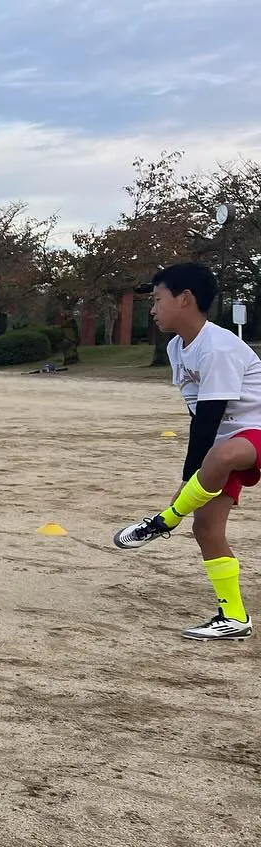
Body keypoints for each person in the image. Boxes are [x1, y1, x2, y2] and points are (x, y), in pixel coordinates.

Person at [113, 261, 261, 640]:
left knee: (221, 456)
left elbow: (209, 419)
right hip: (225, 443)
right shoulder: (178, 346)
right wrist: (196, 478)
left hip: (251, 433)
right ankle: (234, 618)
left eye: (158, 299)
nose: (153, 308)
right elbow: (199, 415)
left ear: (185, 298)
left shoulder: (219, 347)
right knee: (207, 528)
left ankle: (165, 520)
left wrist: (187, 482)